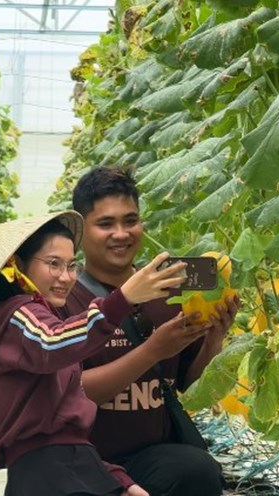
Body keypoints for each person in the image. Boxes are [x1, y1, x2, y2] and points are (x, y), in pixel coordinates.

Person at [0, 210, 191, 496]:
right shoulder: (17, 316)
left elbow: (65, 433)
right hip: (47, 473)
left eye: (72, 265)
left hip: (65, 467)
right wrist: (122, 299)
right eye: (53, 264)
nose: (65, 277)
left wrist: (116, 478)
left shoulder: (35, 319)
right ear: (19, 266)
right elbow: (53, 342)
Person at [66, 167, 241, 496]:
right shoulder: (66, 297)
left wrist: (214, 338)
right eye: (105, 224)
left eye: (130, 220)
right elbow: (69, 394)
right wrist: (152, 350)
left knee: (198, 470)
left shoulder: (171, 289)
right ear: (80, 229)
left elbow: (185, 382)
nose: (121, 233)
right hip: (84, 460)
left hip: (152, 458)